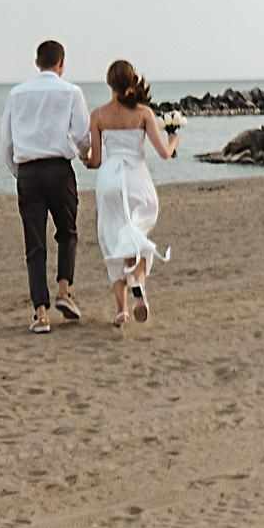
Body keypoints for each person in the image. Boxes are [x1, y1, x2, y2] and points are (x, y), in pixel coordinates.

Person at [1, 39, 90, 334]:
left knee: (34, 243)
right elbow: (82, 136)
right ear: (61, 63)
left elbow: (7, 143)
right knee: (67, 232)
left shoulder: (16, 94)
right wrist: (86, 156)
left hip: (28, 170)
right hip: (58, 169)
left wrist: (20, 172)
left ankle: (41, 312)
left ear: (37, 62)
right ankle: (64, 289)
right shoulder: (71, 92)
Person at [82, 58, 177, 327]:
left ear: (109, 83)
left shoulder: (98, 115)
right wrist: (174, 140)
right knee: (136, 237)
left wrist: (84, 159)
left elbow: (96, 160)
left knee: (112, 239)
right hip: (136, 178)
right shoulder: (144, 113)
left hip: (109, 179)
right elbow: (164, 153)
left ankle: (121, 310)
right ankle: (138, 285)